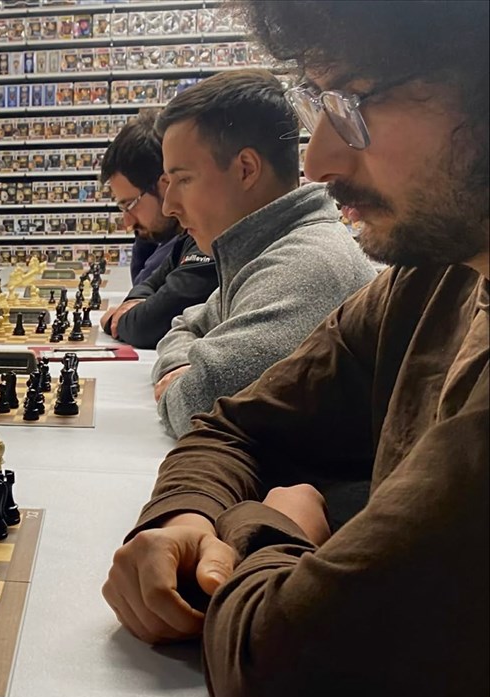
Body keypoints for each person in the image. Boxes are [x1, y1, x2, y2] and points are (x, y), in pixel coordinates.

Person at [101, 2, 488, 697]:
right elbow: (235, 421)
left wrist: (265, 528)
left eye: (355, 100)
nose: (316, 160)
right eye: (320, 104)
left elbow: (288, 688)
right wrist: (183, 517)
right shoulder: (432, 281)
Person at [149, 69, 374, 437]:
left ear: (246, 169)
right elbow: (185, 326)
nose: (169, 206)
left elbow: (198, 403)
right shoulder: (265, 254)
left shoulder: (304, 265)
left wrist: (180, 379)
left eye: (184, 179)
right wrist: (181, 365)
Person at [98, 109, 218, 349]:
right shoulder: (187, 239)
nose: (127, 222)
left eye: (130, 204)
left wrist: (123, 319)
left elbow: (148, 323)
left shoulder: (212, 236)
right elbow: (145, 285)